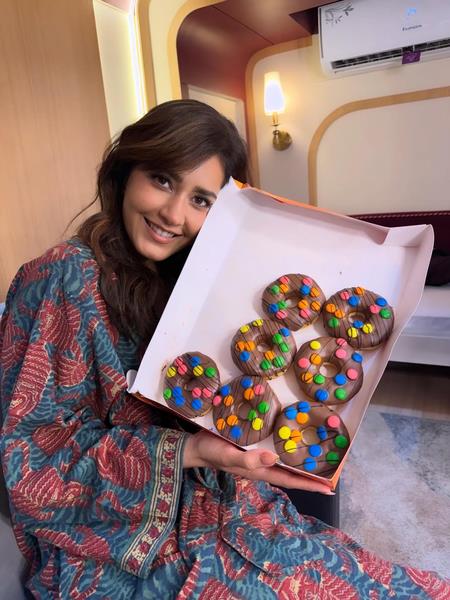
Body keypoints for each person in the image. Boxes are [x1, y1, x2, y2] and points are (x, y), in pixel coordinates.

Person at [0, 99, 447, 599]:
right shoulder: (60, 278)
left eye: (201, 200)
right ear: (125, 172)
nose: (173, 214)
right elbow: (29, 463)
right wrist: (188, 451)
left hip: (232, 512)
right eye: (162, 180)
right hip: (119, 551)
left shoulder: (196, 281)